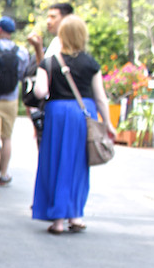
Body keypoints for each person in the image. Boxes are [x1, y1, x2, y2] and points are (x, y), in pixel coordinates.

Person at [30, 15, 115, 234]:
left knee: (55, 162)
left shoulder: (49, 62)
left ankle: (57, 220)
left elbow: (40, 91)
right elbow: (101, 98)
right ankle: (75, 216)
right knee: (78, 164)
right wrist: (109, 124)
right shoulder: (90, 63)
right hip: (82, 114)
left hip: (57, 113)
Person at [0, 16, 30, 191]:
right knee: (7, 138)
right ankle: (4, 174)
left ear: (0, 30)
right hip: (11, 100)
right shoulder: (21, 52)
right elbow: (23, 75)